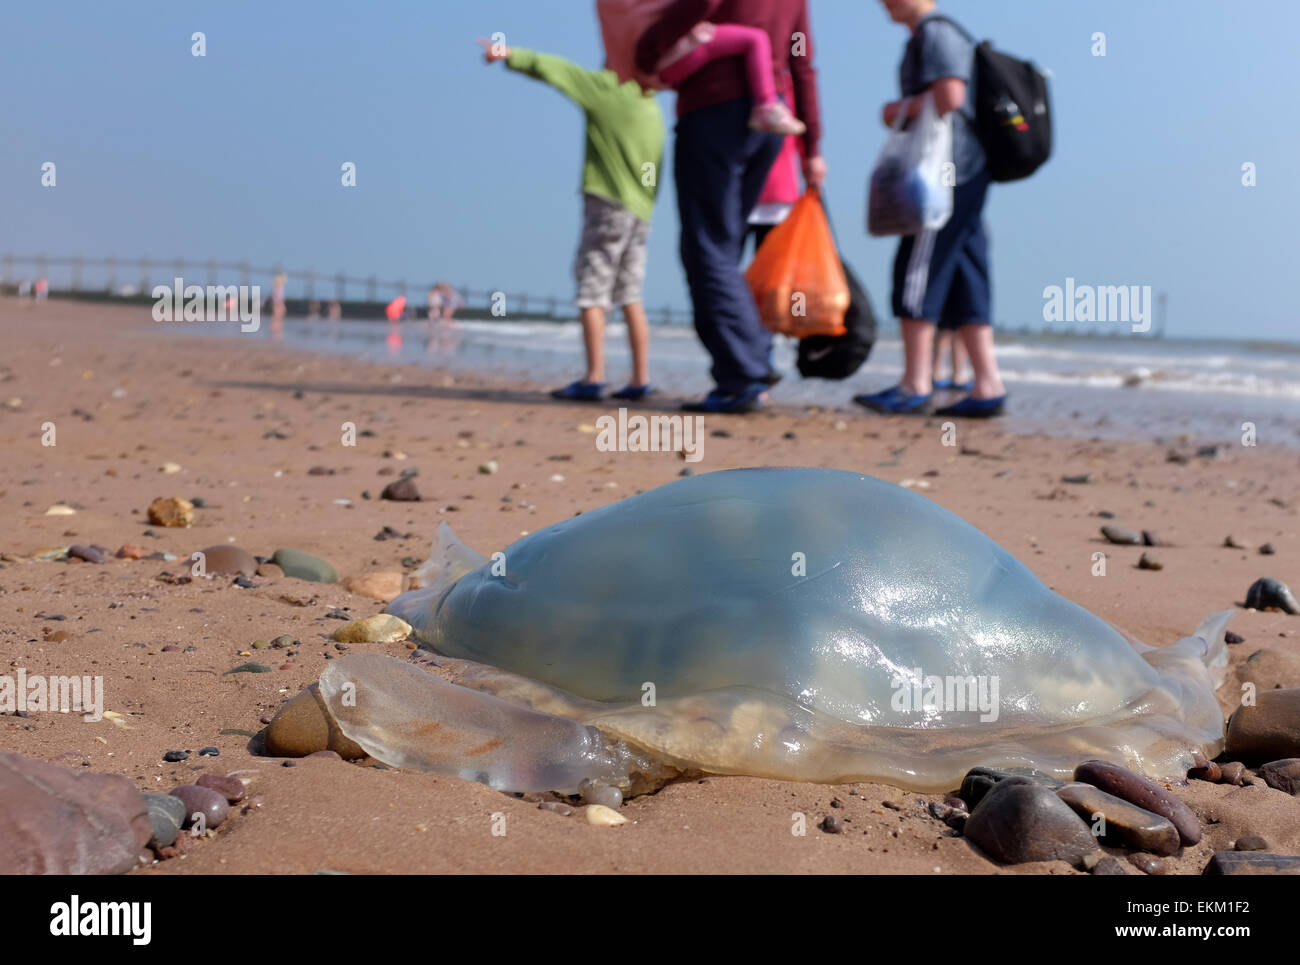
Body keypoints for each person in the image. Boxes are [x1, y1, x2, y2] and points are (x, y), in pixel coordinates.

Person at [637, 0, 824, 414]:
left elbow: (694, 9)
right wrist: (812, 148)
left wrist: (647, 48)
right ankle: (752, 366)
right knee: (724, 245)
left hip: (715, 110)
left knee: (708, 249)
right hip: (767, 118)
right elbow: (802, 63)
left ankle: (744, 372)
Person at [480, 37, 664, 402]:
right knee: (630, 294)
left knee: (592, 290)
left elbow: (555, 70)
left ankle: (594, 377)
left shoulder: (607, 88)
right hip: (642, 212)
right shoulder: (651, 105)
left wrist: (509, 54)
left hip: (608, 204)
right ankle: (640, 378)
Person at [854, 0, 1007, 417]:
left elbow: (950, 97)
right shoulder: (938, 33)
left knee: (917, 270)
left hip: (945, 176)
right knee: (965, 275)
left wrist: (897, 110)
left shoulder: (937, 32)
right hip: (967, 173)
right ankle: (988, 384)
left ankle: (914, 384)